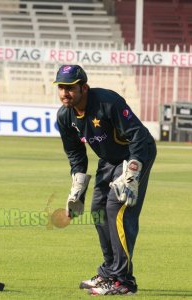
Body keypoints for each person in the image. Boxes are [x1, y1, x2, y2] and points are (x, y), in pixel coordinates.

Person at [53, 65, 157, 296]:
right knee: (98, 209)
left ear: (84, 88)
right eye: (61, 87)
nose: (65, 93)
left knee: (116, 208)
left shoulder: (107, 102)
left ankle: (123, 281)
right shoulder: (64, 116)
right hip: (109, 159)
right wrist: (77, 189)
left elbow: (138, 135)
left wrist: (132, 173)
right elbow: (76, 154)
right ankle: (109, 272)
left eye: (70, 88)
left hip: (136, 154)